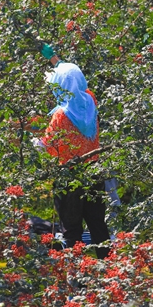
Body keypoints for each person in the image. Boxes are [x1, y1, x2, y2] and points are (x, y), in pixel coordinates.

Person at [31, 46, 111, 259]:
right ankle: (110, 271)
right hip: (94, 173)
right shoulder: (90, 102)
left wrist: (31, 141)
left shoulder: (61, 116)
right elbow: (71, 77)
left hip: (69, 180)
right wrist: (55, 60)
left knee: (72, 230)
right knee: (98, 226)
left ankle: (78, 279)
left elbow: (46, 147)